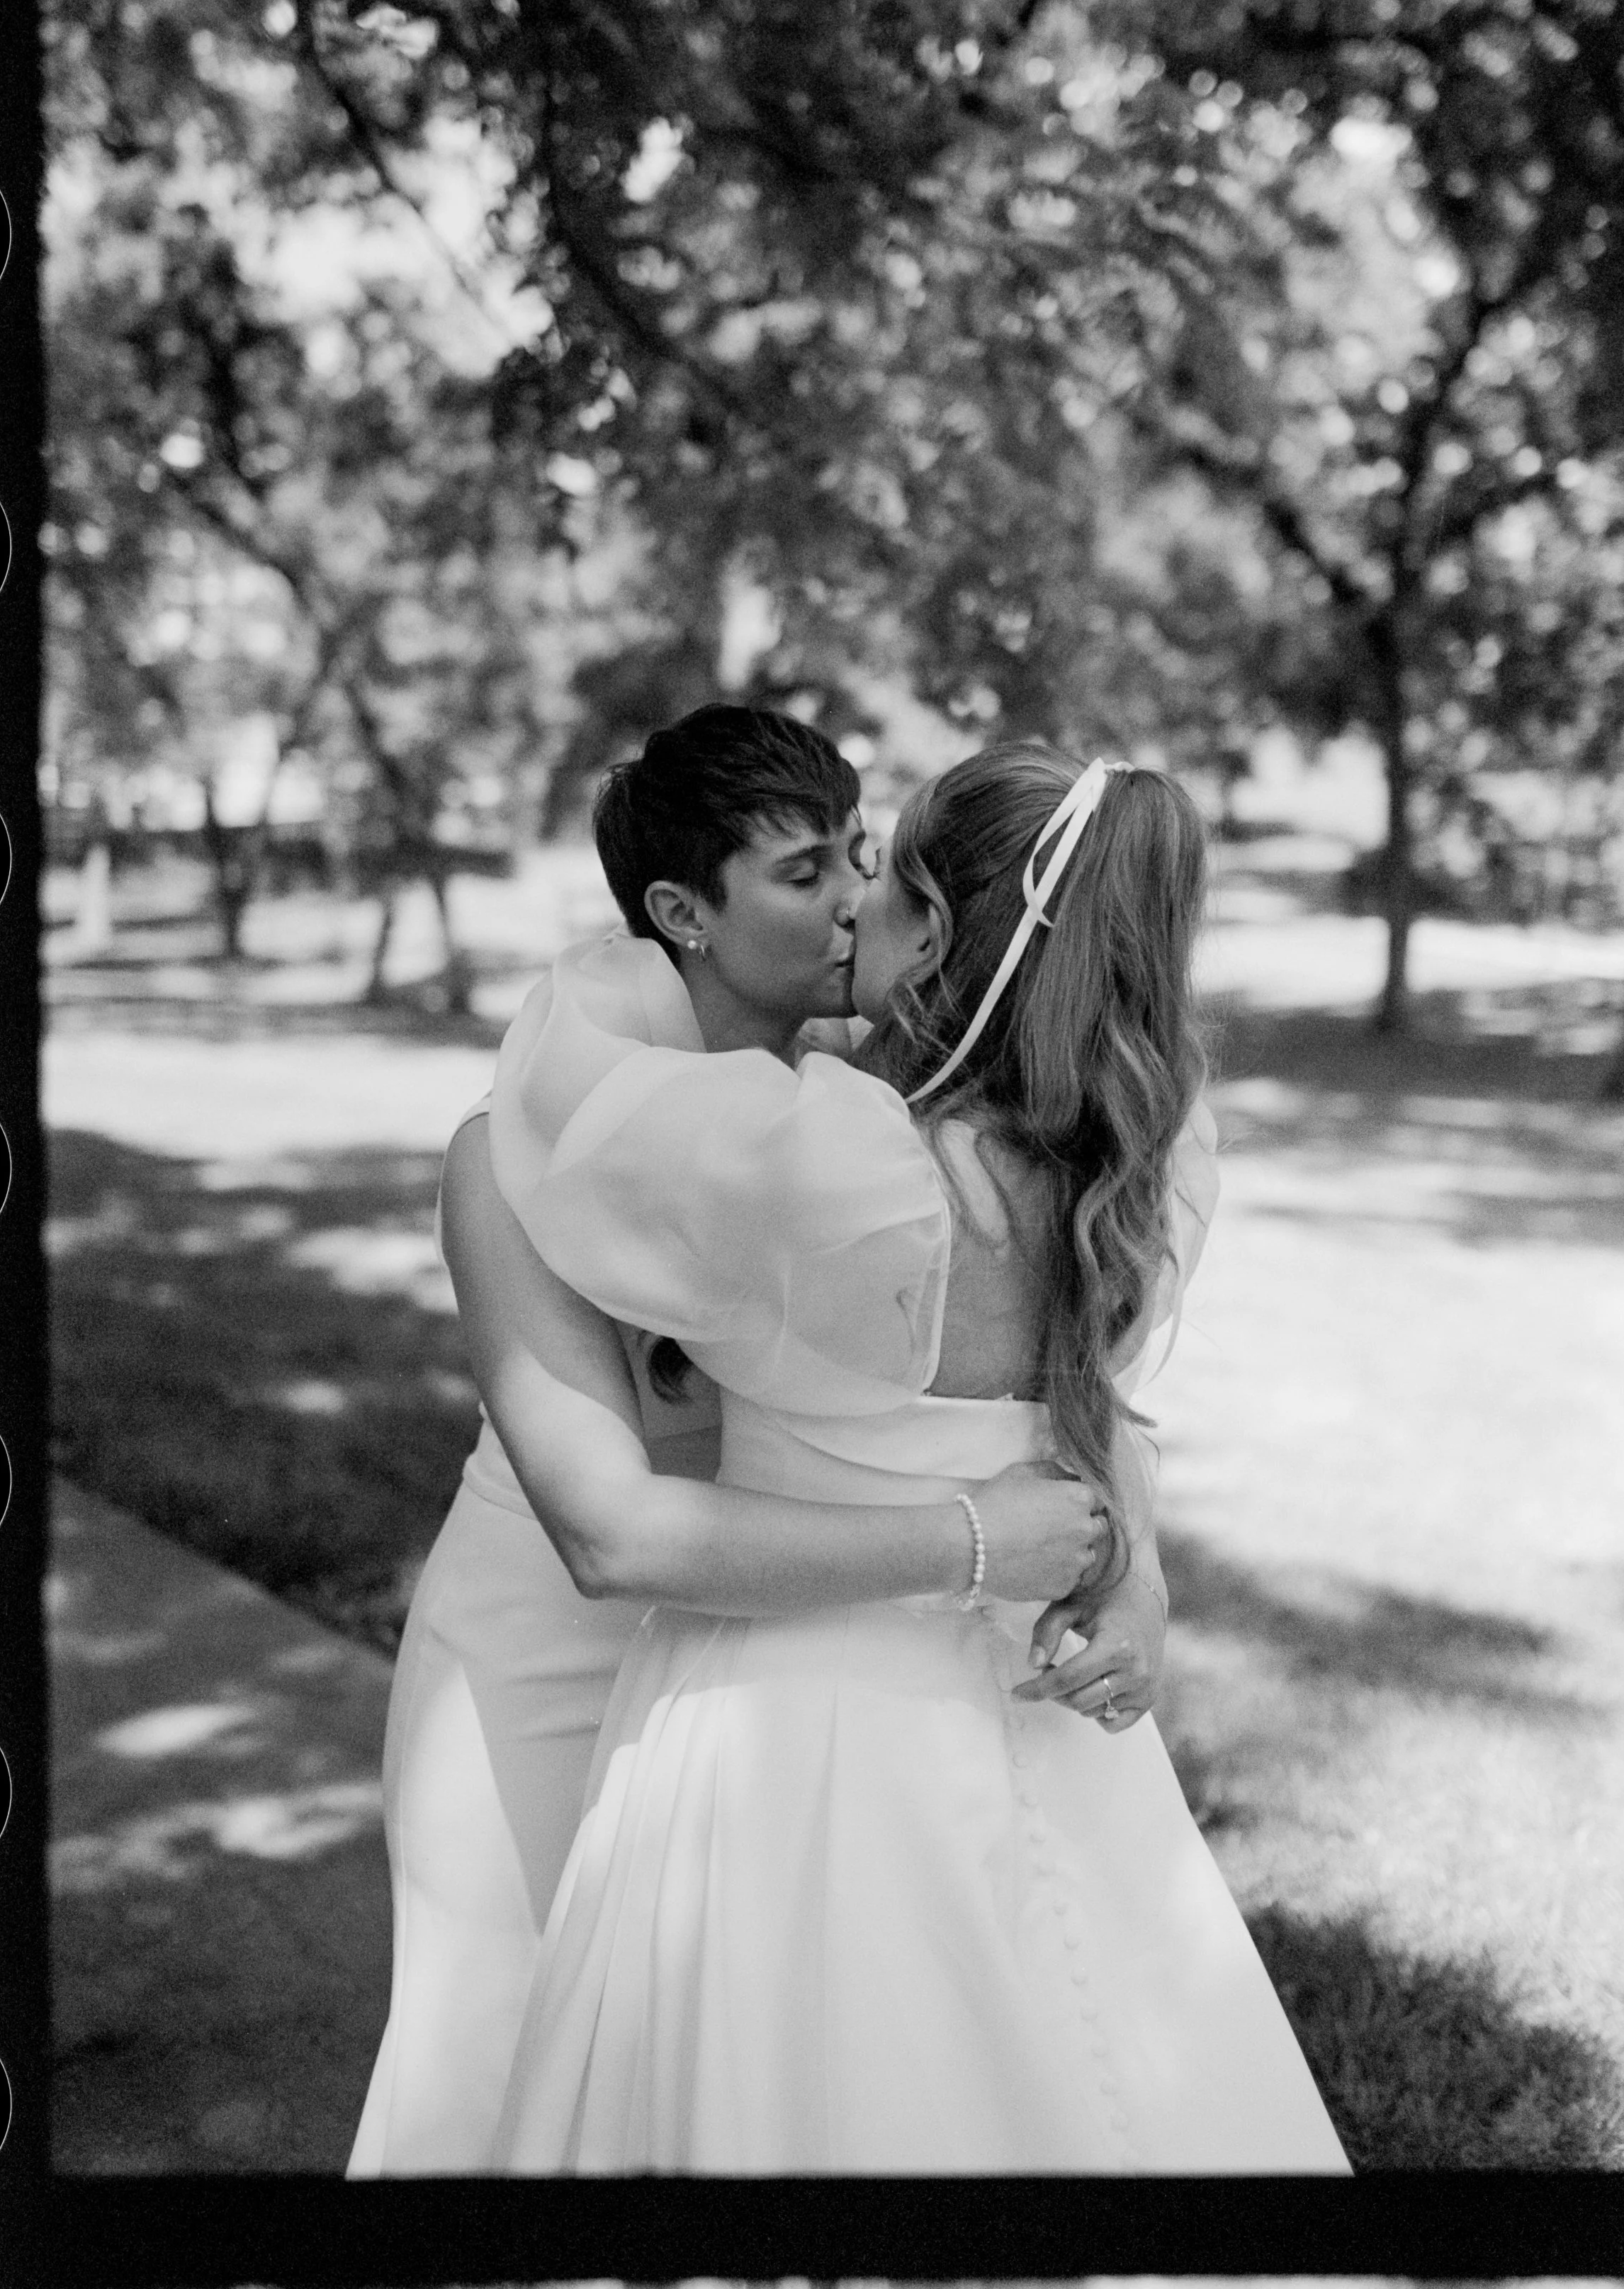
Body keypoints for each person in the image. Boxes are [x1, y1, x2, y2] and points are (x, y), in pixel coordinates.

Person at [486, 742, 1351, 2173]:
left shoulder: (829, 1170)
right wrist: (1137, 1592)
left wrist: (635, 965)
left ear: (942, 932)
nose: (849, 906)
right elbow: (1094, 1410)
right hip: (1047, 1709)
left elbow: (570, 1094)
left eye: (878, 869)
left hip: (791, 1726)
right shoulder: (1122, 1159)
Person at [349, 710, 1158, 2173]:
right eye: (803, 870)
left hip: (772, 1653)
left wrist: (1131, 1571)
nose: (857, 894)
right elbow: (610, 1534)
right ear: (683, 916)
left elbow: (1043, 1365)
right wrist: (984, 1541)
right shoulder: (509, 1155)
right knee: (504, 2086)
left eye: (859, 851)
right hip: (553, 1643)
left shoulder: (878, 1114)